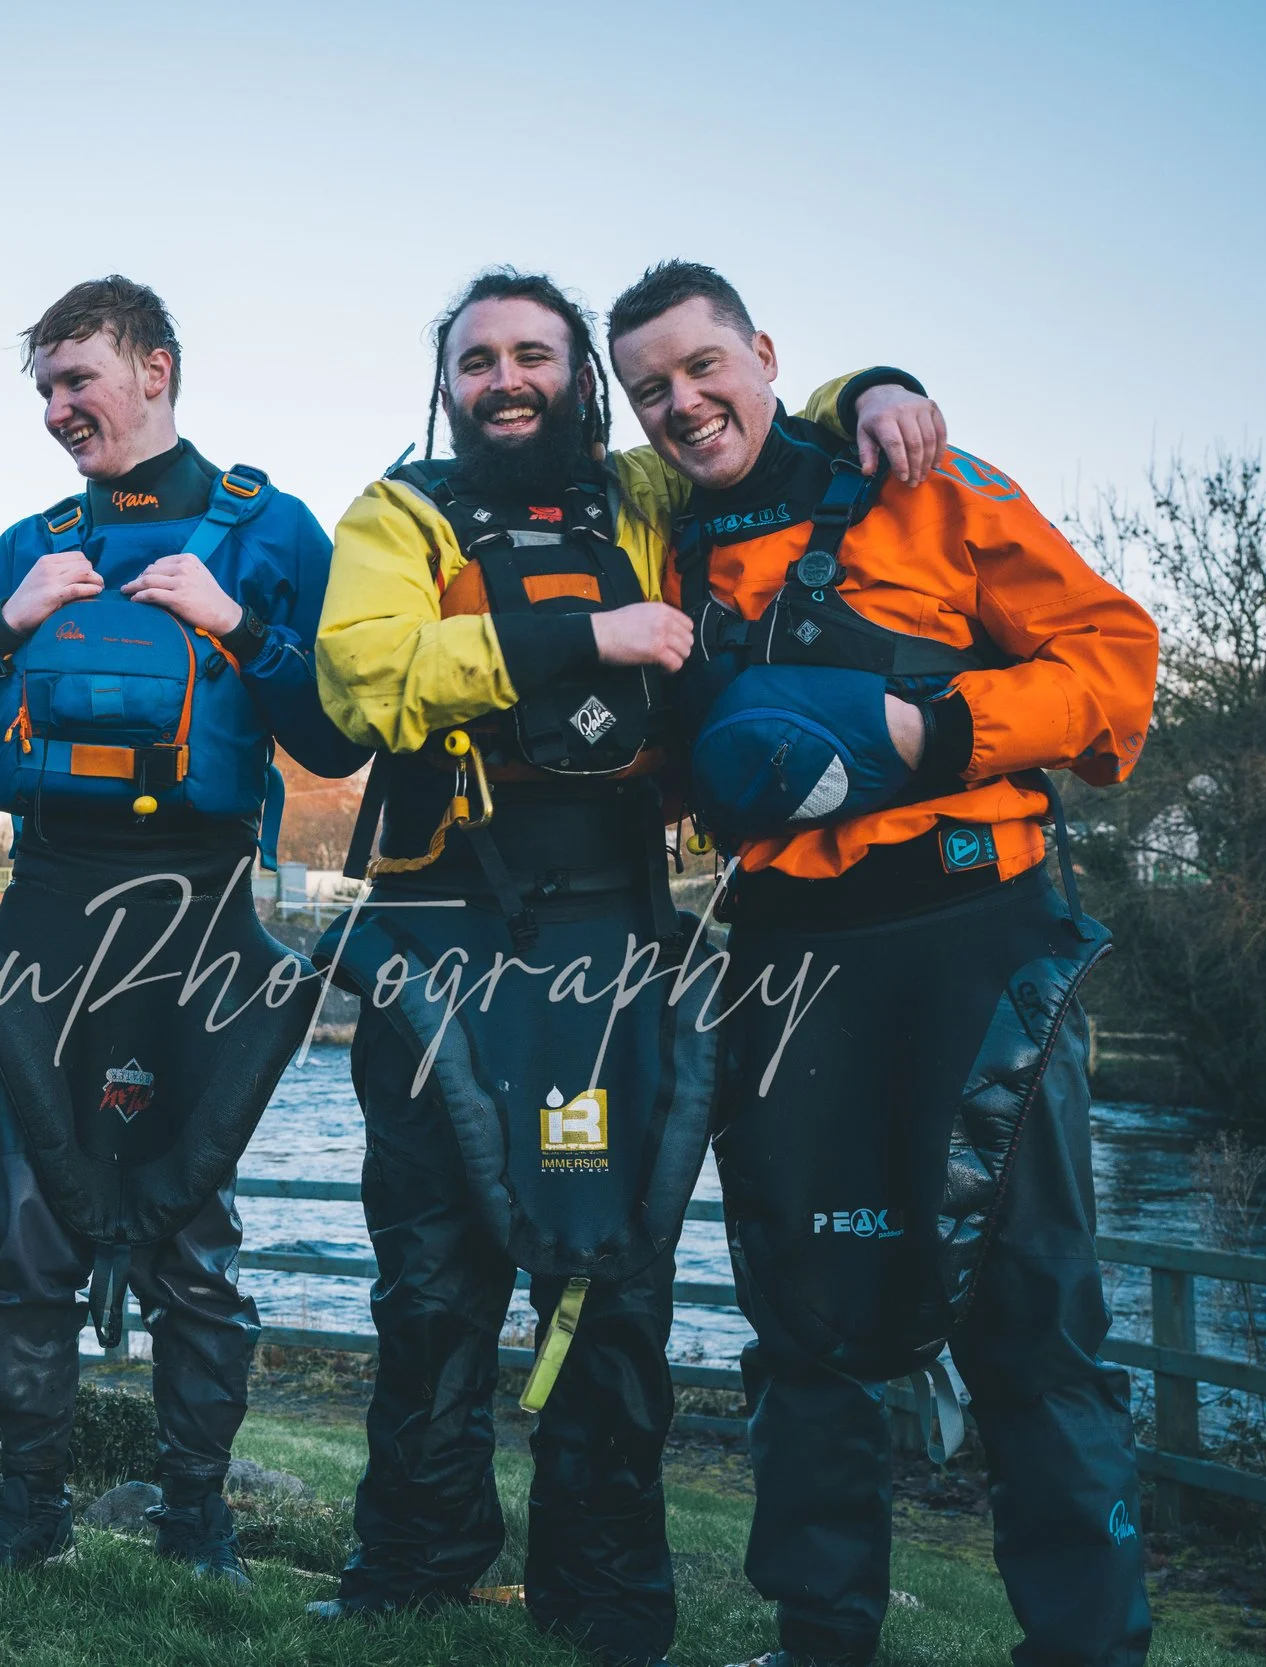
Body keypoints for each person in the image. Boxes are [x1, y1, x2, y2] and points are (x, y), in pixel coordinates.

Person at [311, 267, 944, 1667]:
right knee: (428, 1275)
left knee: (610, 1280)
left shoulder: (644, 496)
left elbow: (759, 424)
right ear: (447, 386)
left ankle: (604, 1598)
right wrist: (586, 635)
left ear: (582, 379)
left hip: (615, 948)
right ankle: (410, 1566)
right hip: (437, 938)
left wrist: (869, 387)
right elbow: (363, 679)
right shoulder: (398, 512)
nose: (507, 380)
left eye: (535, 354)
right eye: (478, 360)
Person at [604, 260, 1157, 1667]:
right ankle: (819, 1639)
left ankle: (1087, 1649)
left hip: (979, 939)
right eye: (649, 387)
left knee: (1032, 1313)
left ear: (763, 352)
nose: (683, 402)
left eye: (703, 366)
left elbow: (1116, 665)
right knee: (804, 1319)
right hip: (787, 962)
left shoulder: (925, 479)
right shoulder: (662, 551)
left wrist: (934, 732)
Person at [0, 276, 370, 1587]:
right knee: (21, 1228)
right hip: (48, 908)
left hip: (204, 915)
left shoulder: (270, 529)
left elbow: (337, 736)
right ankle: (26, 1512)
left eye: (80, 379)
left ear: (154, 369)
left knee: (193, 1230)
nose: (60, 408)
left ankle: (195, 1517)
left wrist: (241, 625)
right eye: (46, 388)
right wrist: (4, 623)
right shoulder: (30, 543)